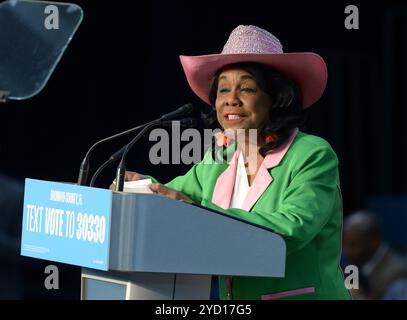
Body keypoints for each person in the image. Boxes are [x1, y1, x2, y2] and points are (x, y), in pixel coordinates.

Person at [111, 25, 350, 300]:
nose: (230, 101)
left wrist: (196, 213)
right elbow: (174, 199)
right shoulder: (220, 157)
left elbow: (293, 229)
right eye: (223, 90)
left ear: (277, 98)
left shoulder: (312, 154)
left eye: (246, 88)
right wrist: (137, 187)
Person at [343, 210, 407, 299]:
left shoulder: (397, 273)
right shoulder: (353, 263)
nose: (347, 251)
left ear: (374, 242)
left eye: (353, 245)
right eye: (344, 244)